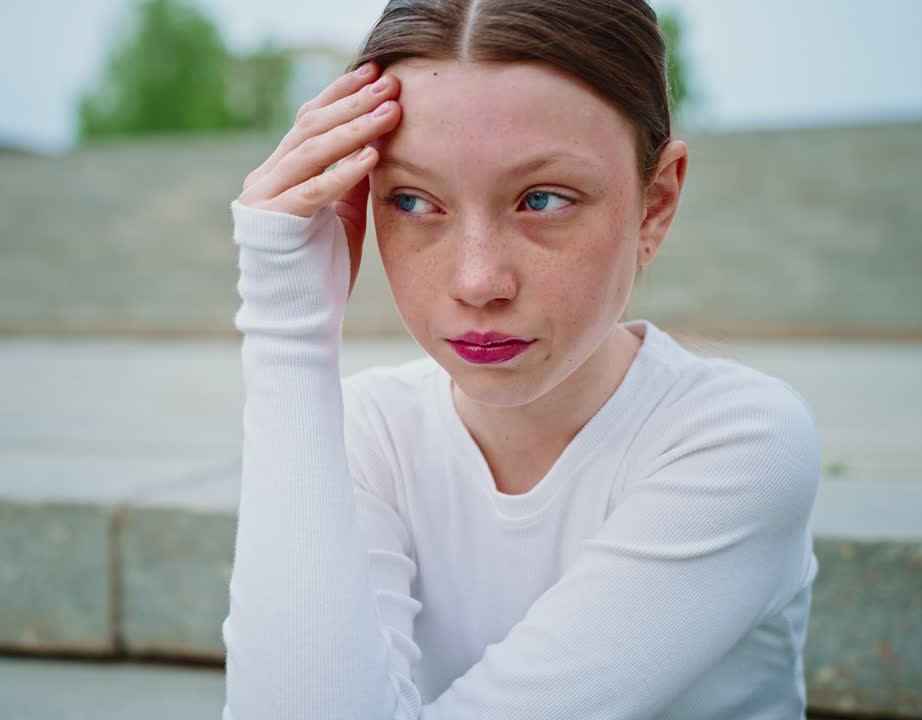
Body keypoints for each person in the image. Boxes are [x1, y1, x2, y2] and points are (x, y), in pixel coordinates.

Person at [223, 1, 821, 718]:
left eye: (542, 199)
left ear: (654, 204)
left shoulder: (741, 442)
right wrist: (289, 328)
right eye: (412, 201)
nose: (478, 282)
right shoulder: (369, 431)